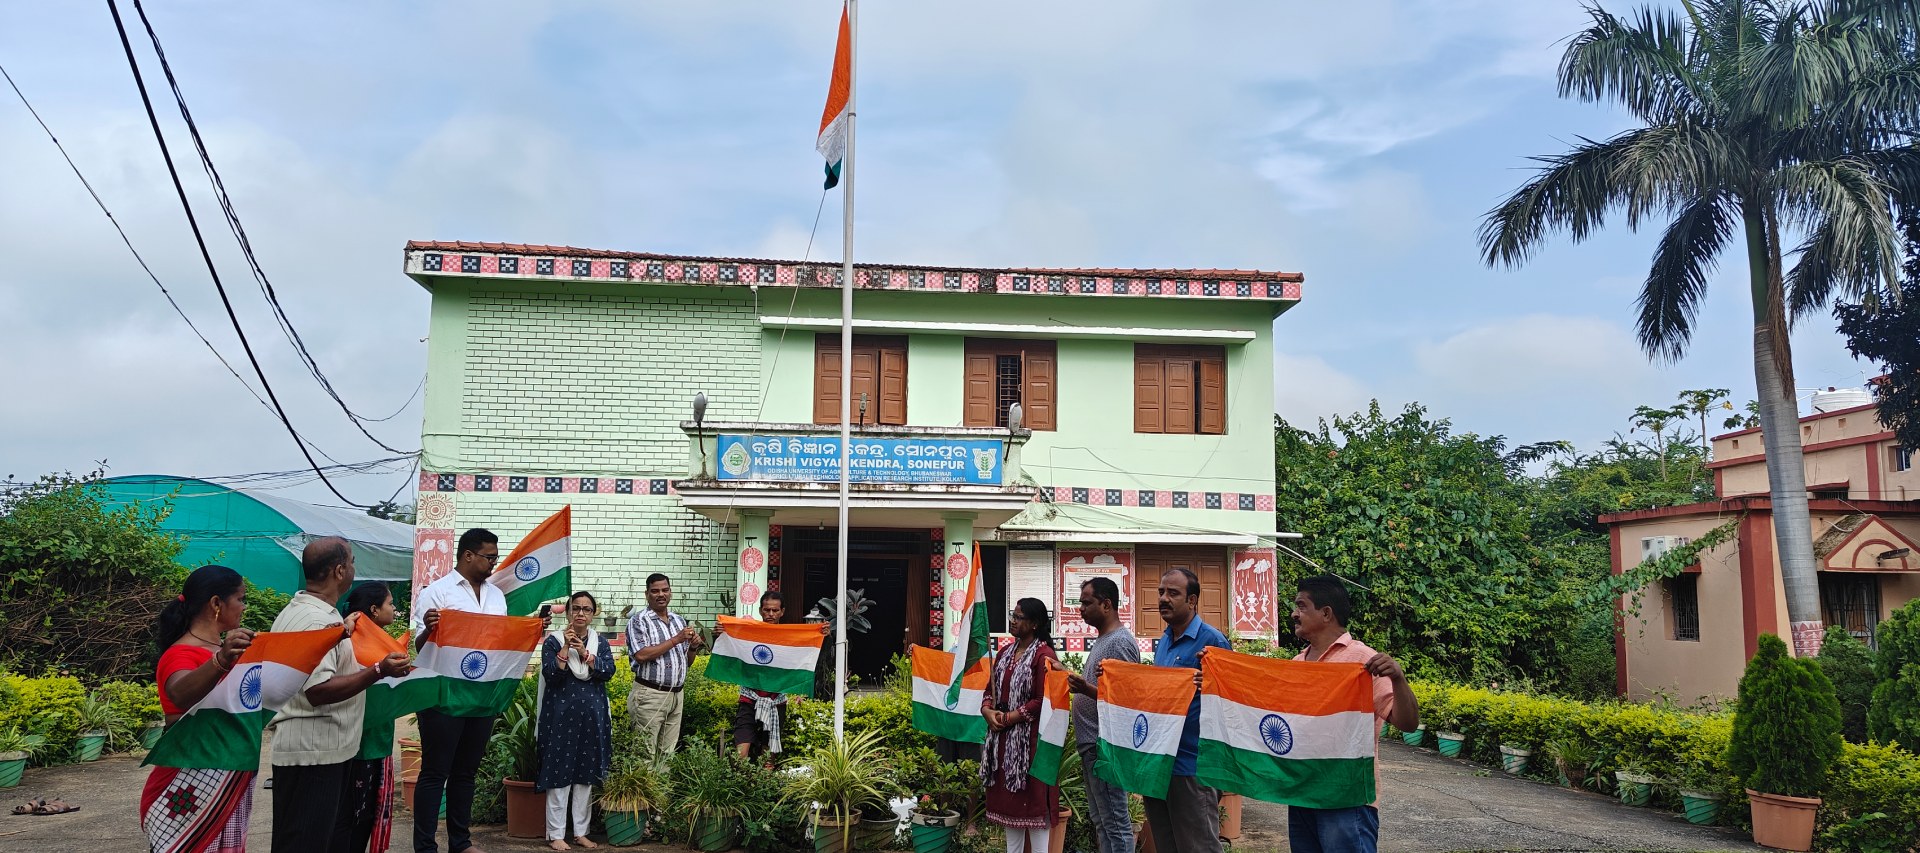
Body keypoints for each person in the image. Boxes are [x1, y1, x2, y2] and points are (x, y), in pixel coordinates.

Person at [270, 538, 412, 853]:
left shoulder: (306, 612)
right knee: (306, 842)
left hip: (313, 749)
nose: (353, 568)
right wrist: (378, 670)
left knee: (299, 839)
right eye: (352, 562)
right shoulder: (316, 621)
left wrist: (343, 630)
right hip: (315, 753)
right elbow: (318, 690)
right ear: (339, 570)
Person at [1287, 574, 1420, 853]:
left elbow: (1407, 723)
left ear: (1326, 613)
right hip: (1302, 796)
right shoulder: (1296, 664)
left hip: (1347, 802)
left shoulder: (1363, 662)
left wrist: (1398, 678)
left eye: (1301, 606)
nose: (1294, 614)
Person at [141, 565, 257, 853]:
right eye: (240, 599)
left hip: (229, 773)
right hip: (189, 783)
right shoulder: (182, 653)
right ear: (216, 603)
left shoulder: (222, 651)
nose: (243, 607)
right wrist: (220, 661)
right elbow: (179, 694)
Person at [410, 528, 509, 853]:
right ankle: (425, 846)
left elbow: (501, 642)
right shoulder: (436, 593)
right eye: (489, 557)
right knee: (435, 772)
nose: (494, 562)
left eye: (495, 556)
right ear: (468, 555)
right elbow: (416, 649)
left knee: (466, 773)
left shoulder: (496, 596)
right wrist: (429, 627)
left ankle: (460, 842)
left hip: (481, 695)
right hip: (442, 694)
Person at [1144, 567, 1230, 853]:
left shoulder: (1212, 641)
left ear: (1192, 600)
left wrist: (1211, 686)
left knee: (1198, 848)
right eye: (1160, 592)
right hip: (1161, 764)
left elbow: (1231, 698)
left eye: (1173, 593)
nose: (1163, 599)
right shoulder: (1164, 641)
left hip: (1194, 767)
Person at [980, 597, 1061, 853]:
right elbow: (989, 689)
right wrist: (987, 711)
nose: (1012, 621)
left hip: (1030, 748)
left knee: (1035, 812)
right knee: (1010, 812)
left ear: (1034, 623)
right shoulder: (1004, 652)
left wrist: (1008, 718)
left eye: (1018, 617)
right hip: (1003, 745)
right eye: (1012, 616)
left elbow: (1042, 699)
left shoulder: (1044, 655)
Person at [1063, 578, 1139, 853]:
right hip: (1092, 744)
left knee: (1115, 822)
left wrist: (1086, 689)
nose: (1080, 608)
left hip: (1105, 746)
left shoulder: (1118, 643)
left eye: (1086, 602)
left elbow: (1127, 699)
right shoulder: (1104, 640)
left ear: (1106, 604)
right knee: (1102, 820)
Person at [536, 591, 615, 851]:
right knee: (559, 774)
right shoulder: (554, 641)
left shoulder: (599, 642)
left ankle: (581, 832)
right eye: (576, 608)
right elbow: (552, 676)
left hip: (592, 719)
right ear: (568, 612)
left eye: (587, 609)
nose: (581, 613)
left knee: (585, 775)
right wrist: (566, 648)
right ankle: (556, 833)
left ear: (594, 614)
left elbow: (608, 672)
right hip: (560, 718)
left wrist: (586, 654)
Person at [342, 582, 405, 853]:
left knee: (366, 814)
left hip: (377, 739)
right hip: (359, 744)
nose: (394, 608)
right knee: (356, 815)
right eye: (390, 604)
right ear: (374, 609)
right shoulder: (350, 641)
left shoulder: (383, 642)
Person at [726, 591, 816, 760]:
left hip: (776, 701)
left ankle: (765, 785)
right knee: (740, 754)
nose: (771, 614)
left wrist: (823, 633)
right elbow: (731, 645)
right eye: (767, 610)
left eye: (775, 611)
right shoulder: (749, 632)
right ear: (760, 610)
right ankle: (740, 785)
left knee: (768, 756)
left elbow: (802, 659)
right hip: (749, 698)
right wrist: (721, 632)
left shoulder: (790, 637)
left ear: (782, 611)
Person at [625, 572, 702, 766]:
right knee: (644, 754)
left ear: (671, 592)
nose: (661, 594)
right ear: (647, 594)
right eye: (655, 591)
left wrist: (692, 646)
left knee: (667, 755)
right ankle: (643, 797)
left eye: (665, 590)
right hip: (650, 693)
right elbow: (641, 655)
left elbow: (687, 662)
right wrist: (676, 639)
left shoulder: (678, 621)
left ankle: (660, 796)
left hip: (676, 695)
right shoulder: (639, 620)